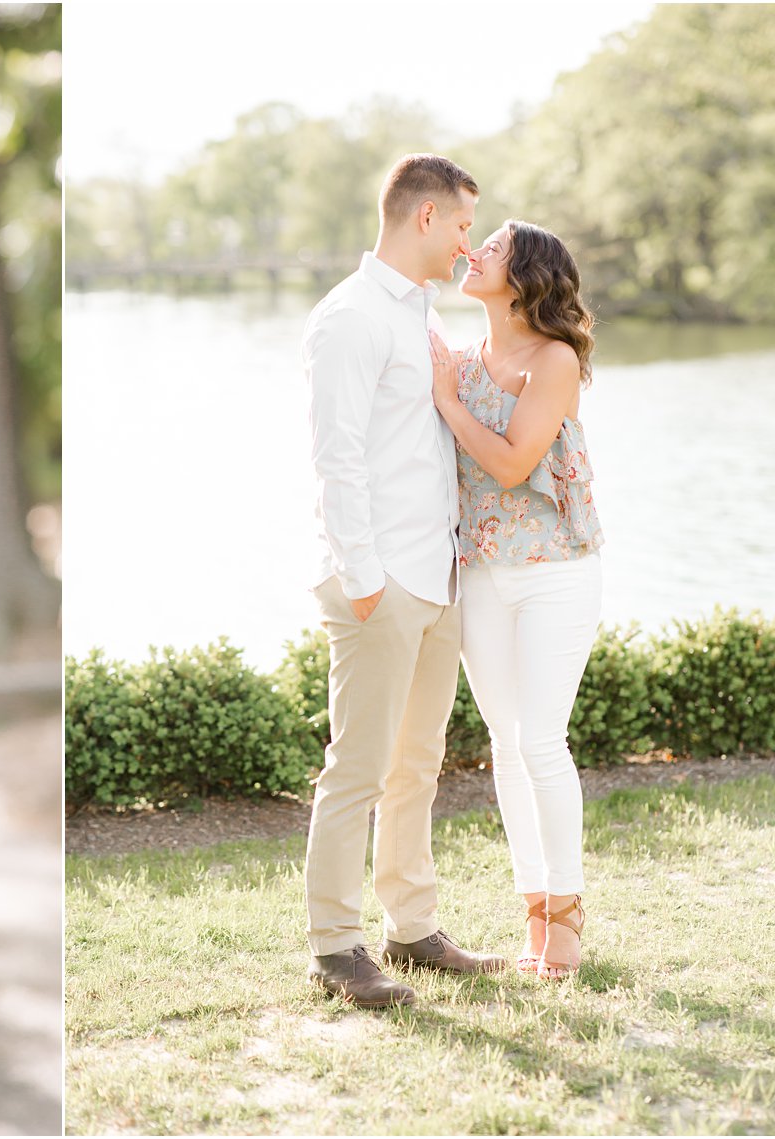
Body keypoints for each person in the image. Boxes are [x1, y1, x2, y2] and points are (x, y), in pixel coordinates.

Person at [301, 153, 507, 1010]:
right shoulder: (348, 318)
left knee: (416, 762)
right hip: (380, 583)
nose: (468, 241)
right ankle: (334, 946)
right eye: (462, 224)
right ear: (424, 217)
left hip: (438, 574)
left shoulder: (420, 313)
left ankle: (410, 926)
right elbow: (335, 455)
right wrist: (365, 577)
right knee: (357, 766)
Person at [428, 219, 604, 981]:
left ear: (526, 274)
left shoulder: (553, 359)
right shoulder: (459, 360)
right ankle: (533, 906)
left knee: (541, 741)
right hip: (483, 572)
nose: (474, 253)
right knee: (504, 741)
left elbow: (509, 465)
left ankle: (566, 915)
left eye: (492, 248)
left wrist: (447, 400)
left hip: (557, 570)